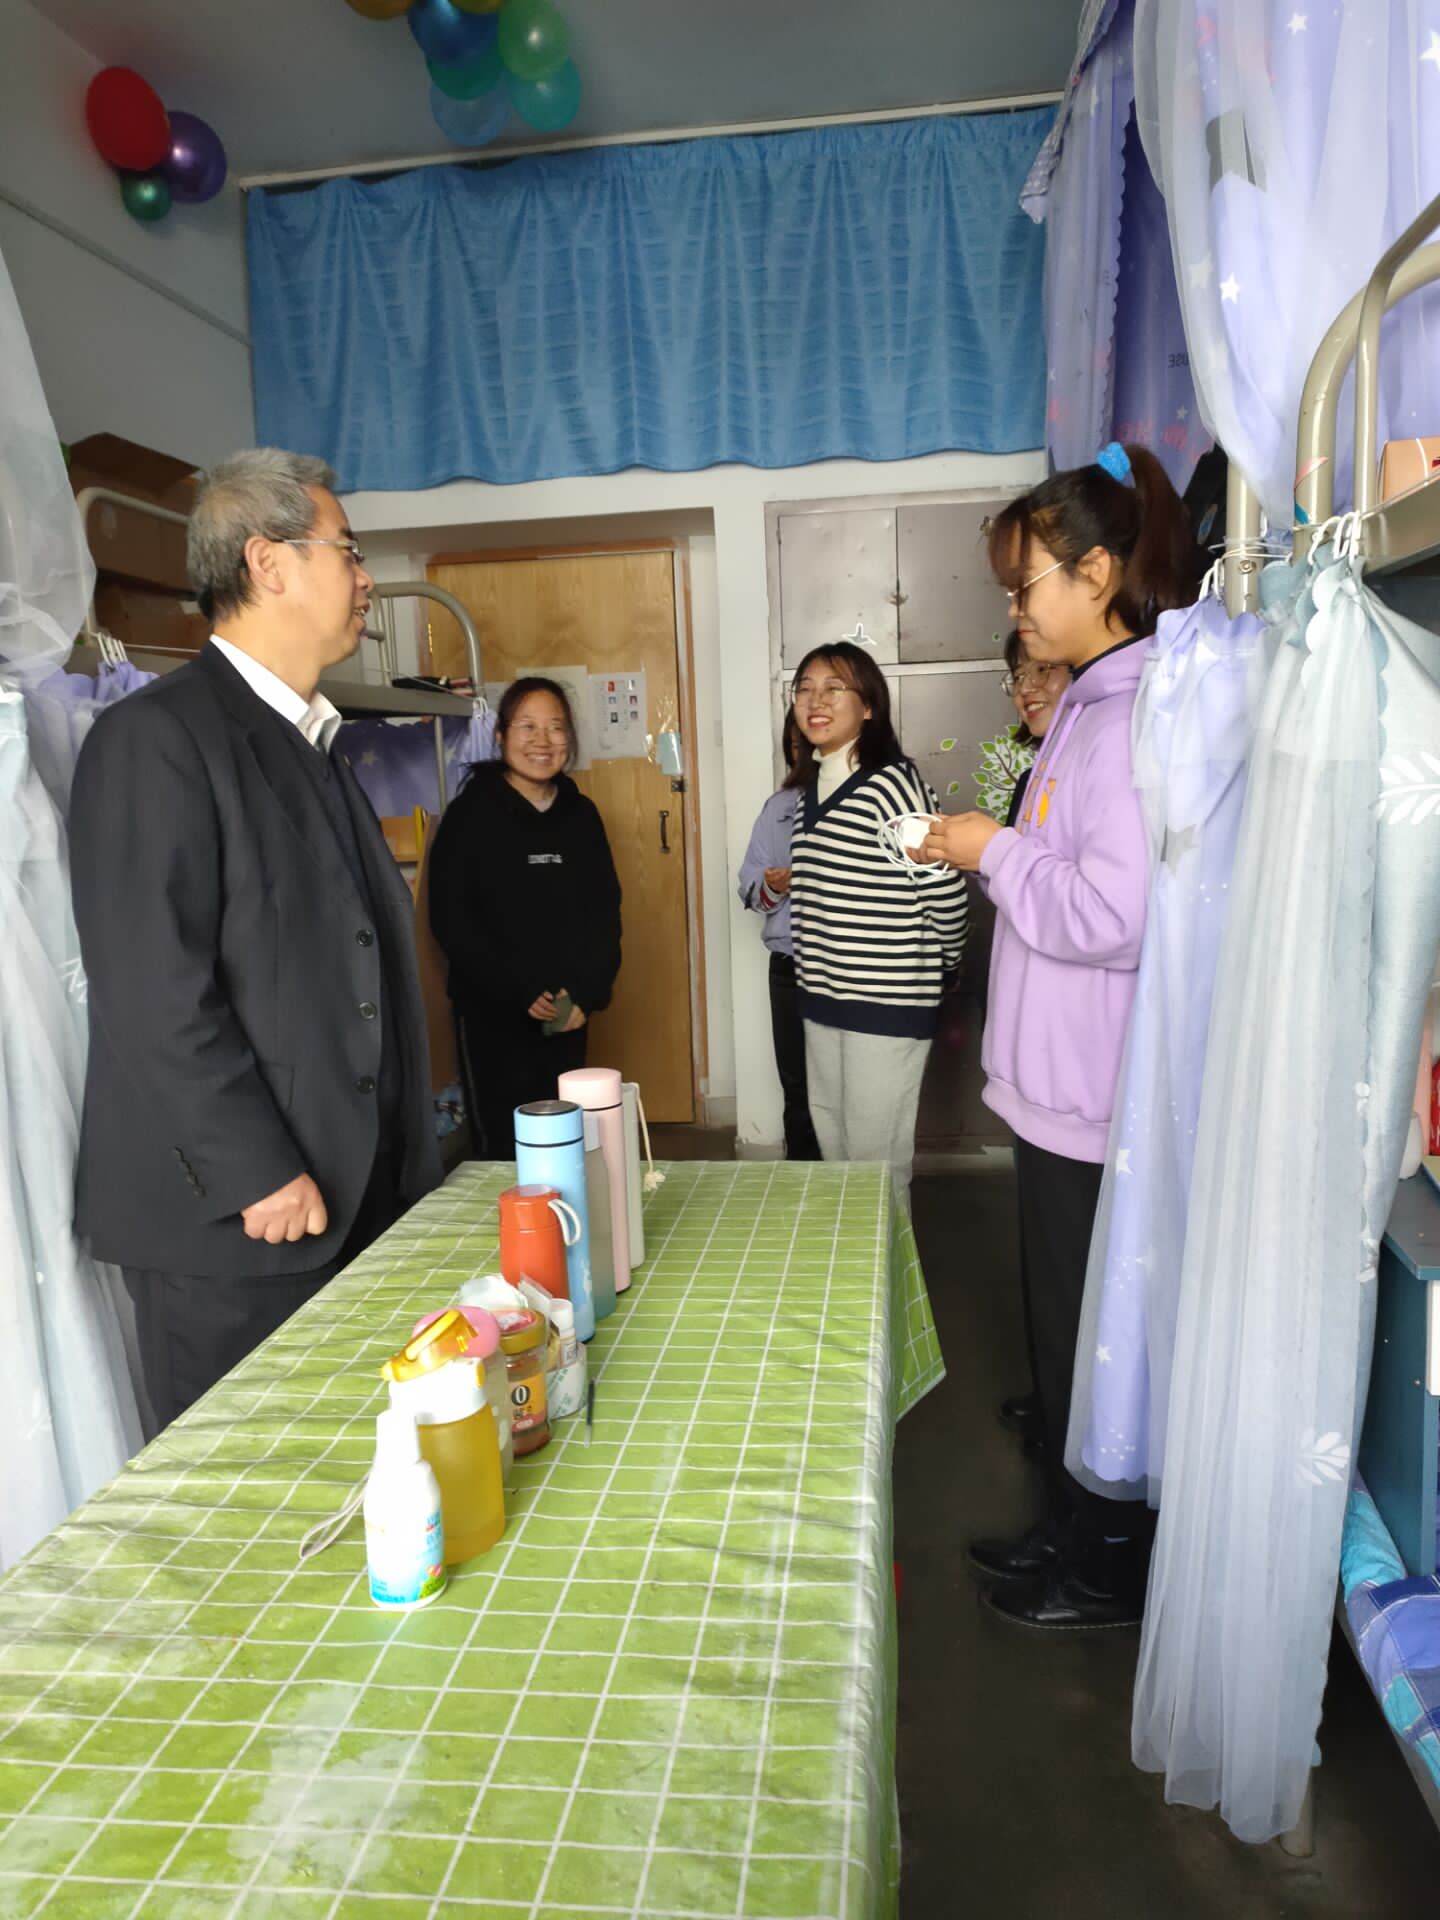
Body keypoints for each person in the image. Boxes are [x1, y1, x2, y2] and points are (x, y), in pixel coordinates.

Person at [69, 449, 442, 1429]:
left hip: (347, 1199)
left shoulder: (311, 741)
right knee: (243, 1491)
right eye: (348, 552)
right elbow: (153, 988)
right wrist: (255, 1168)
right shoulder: (155, 740)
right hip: (242, 1222)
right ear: (268, 563)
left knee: (349, 1469)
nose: (366, 579)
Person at [923, 442, 1201, 1630]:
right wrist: (997, 849)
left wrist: (992, 849)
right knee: (1067, 1337)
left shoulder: (1130, 713)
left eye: (1026, 583)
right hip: (1062, 1093)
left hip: (1092, 1099)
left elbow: (1109, 915)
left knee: (1096, 1340)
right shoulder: (1090, 706)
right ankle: (1071, 1525)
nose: (1015, 609)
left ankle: (1106, 1566)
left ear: (1098, 574)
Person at [789, 641, 967, 1205]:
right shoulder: (808, 792)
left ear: (869, 706)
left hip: (884, 1002)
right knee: (839, 1158)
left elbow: (944, 885)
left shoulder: (891, 784)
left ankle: (889, 1264)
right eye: (804, 689)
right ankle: (852, 1262)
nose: (815, 701)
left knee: (876, 1166)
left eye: (833, 688)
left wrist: (947, 964)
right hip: (823, 1002)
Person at [428, 676, 621, 1160]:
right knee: (503, 1145)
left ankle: (563, 1212)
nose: (542, 741)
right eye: (527, 726)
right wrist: (518, 989)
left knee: (566, 1138)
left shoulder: (581, 815)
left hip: (567, 1012)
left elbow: (604, 912)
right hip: (493, 1012)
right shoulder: (469, 816)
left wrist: (586, 993)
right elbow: (451, 919)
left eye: (555, 727)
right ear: (500, 736)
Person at [991, 630, 1069, 1455]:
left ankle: (1074, 1434)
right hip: (1034, 1052)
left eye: (1045, 669)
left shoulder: (1101, 753)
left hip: (1074, 1063)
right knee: (1046, 1257)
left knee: (1073, 1264)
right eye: (1019, 675)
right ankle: (1053, 1399)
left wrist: (992, 853)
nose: (1028, 687)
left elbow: (1100, 913)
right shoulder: (1036, 772)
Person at [737, 710, 821, 1161]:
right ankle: (803, 1181)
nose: (803, 752)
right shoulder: (779, 808)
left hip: (850, 967)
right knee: (798, 1088)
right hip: (790, 966)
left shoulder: (868, 799)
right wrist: (772, 885)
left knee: (850, 1092)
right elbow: (749, 884)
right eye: (794, 743)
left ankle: (854, 1189)